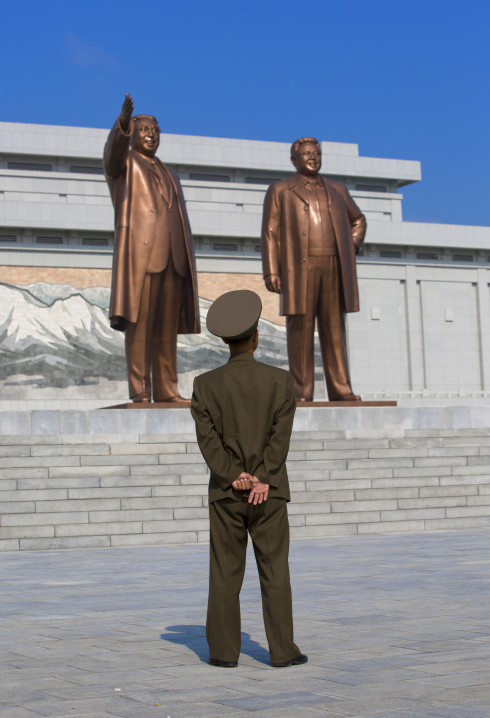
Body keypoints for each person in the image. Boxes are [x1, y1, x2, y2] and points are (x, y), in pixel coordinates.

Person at [190, 289, 307, 668]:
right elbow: (280, 437)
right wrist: (262, 478)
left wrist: (233, 476)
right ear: (256, 336)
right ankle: (283, 652)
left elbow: (207, 442)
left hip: (226, 495)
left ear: (226, 341)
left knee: (225, 574)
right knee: (275, 573)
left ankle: (224, 653)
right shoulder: (279, 381)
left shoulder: (204, 386)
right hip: (269, 496)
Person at [103, 93, 200, 403]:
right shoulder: (125, 164)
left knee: (167, 330)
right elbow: (111, 155)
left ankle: (167, 389)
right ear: (134, 135)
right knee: (140, 326)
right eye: (144, 130)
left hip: (174, 258)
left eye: (155, 131)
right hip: (143, 257)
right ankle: (141, 389)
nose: (151, 135)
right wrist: (122, 124)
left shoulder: (170, 172)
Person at [261, 137, 367, 402]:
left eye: (316, 153)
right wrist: (272, 271)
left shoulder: (338, 190)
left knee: (334, 330)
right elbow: (270, 233)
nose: (312, 157)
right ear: (293, 160)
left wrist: (349, 247)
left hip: (333, 267)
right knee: (301, 331)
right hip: (299, 270)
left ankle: (341, 388)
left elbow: (359, 220)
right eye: (307, 153)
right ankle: (301, 391)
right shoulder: (281, 190)